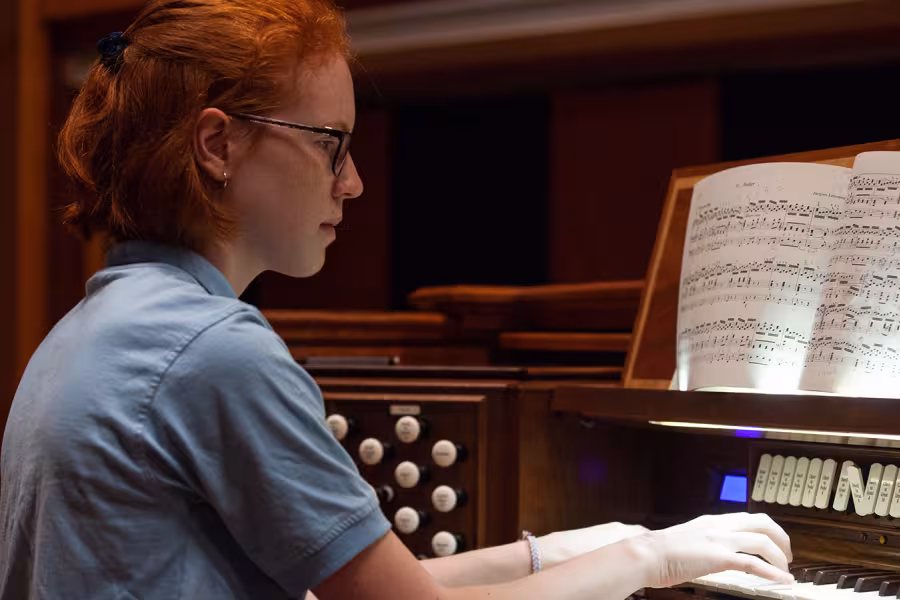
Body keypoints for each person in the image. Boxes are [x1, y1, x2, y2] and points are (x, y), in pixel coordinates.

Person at [0, 0, 795, 598]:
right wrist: (651, 560)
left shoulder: (94, 327)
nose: (352, 182)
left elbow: (368, 584)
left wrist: (574, 547)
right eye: (331, 144)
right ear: (219, 144)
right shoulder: (213, 351)